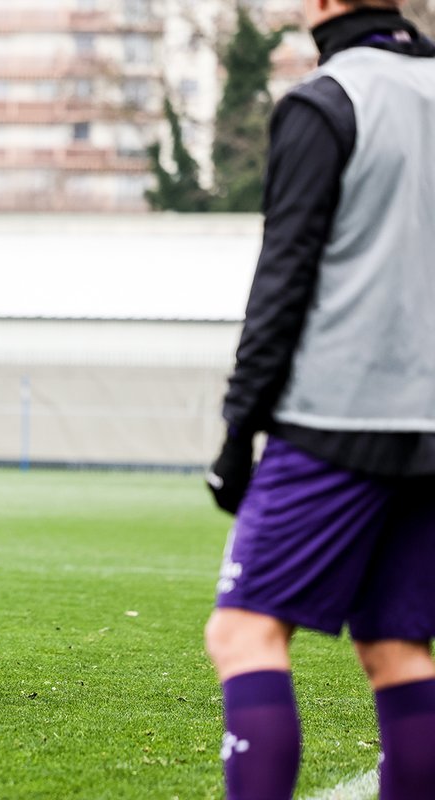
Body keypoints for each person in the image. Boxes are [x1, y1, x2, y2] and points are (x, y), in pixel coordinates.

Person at [202, 3, 435, 798]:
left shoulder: (324, 101)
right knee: (397, 647)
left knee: (244, 631)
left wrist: (240, 430)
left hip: (337, 419)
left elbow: (283, 279)